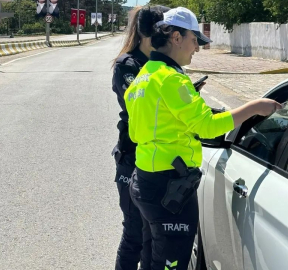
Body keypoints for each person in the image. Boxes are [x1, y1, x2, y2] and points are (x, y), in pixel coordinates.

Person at [124, 7, 282, 270]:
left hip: (145, 179)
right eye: (194, 39)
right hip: (168, 185)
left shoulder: (144, 76)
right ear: (176, 38)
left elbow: (145, 127)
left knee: (153, 259)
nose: (196, 48)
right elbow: (207, 127)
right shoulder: (171, 79)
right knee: (170, 263)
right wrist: (253, 107)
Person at [111, 5, 170, 270]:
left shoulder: (164, 64)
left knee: (153, 238)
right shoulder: (127, 65)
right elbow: (138, 110)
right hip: (132, 158)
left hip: (158, 161)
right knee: (135, 233)